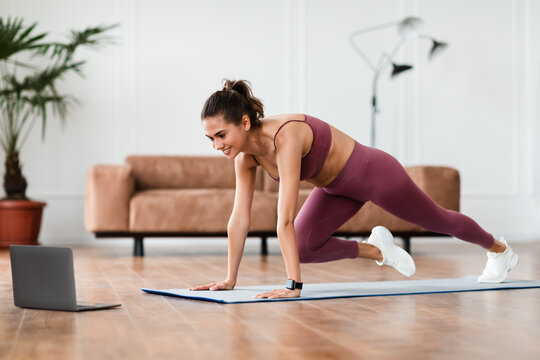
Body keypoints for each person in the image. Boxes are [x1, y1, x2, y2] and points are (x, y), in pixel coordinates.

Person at [189, 79, 519, 300]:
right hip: (335, 189)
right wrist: (230, 279)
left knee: (437, 220)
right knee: (304, 247)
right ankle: (378, 250)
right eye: (211, 139)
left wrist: (294, 285)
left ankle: (499, 250)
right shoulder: (245, 160)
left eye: (221, 135)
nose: (217, 145)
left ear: (244, 123)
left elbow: (284, 218)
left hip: (372, 173)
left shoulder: (285, 136)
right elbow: (239, 220)